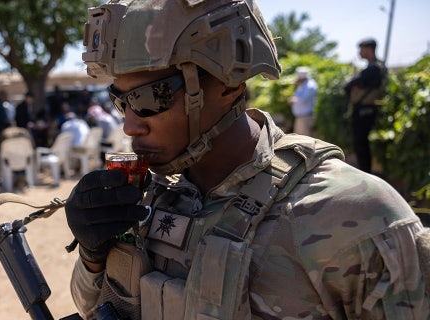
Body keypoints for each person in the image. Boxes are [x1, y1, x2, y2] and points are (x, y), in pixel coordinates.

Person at [64, 1, 430, 319]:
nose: (129, 124)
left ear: (228, 85)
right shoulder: (146, 195)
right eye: (120, 101)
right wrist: (93, 254)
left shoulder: (352, 213)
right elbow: (91, 306)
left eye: (150, 98)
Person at [344, 38, 388, 173]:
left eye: (361, 49)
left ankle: (365, 173)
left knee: (361, 144)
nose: (359, 53)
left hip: (364, 111)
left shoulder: (374, 68)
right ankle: (365, 171)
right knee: (362, 144)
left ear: (369, 49)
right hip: (365, 110)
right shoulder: (375, 67)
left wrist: (352, 85)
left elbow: (348, 86)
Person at [289, 66, 318, 136]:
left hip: (306, 118)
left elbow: (303, 100)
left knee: (305, 141)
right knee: (300, 140)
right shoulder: (304, 85)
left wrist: (295, 90)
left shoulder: (310, 86)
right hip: (301, 117)